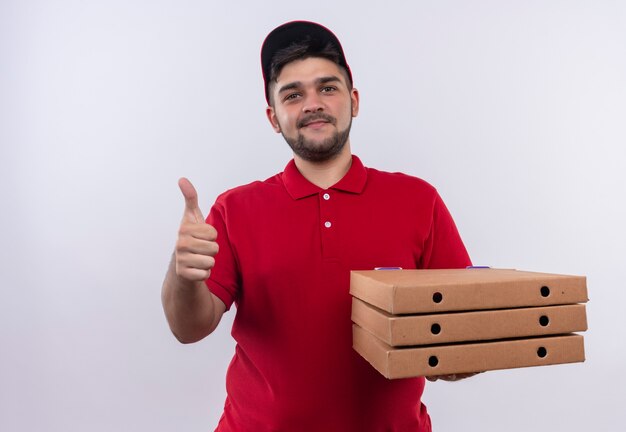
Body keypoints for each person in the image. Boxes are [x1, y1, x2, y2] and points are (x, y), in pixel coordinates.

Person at [162, 20, 474, 432]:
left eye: (327, 88)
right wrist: (184, 272)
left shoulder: (419, 200)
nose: (312, 103)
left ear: (354, 100)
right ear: (274, 118)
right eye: (293, 95)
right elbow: (189, 328)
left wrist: (457, 356)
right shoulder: (235, 209)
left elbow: (462, 328)